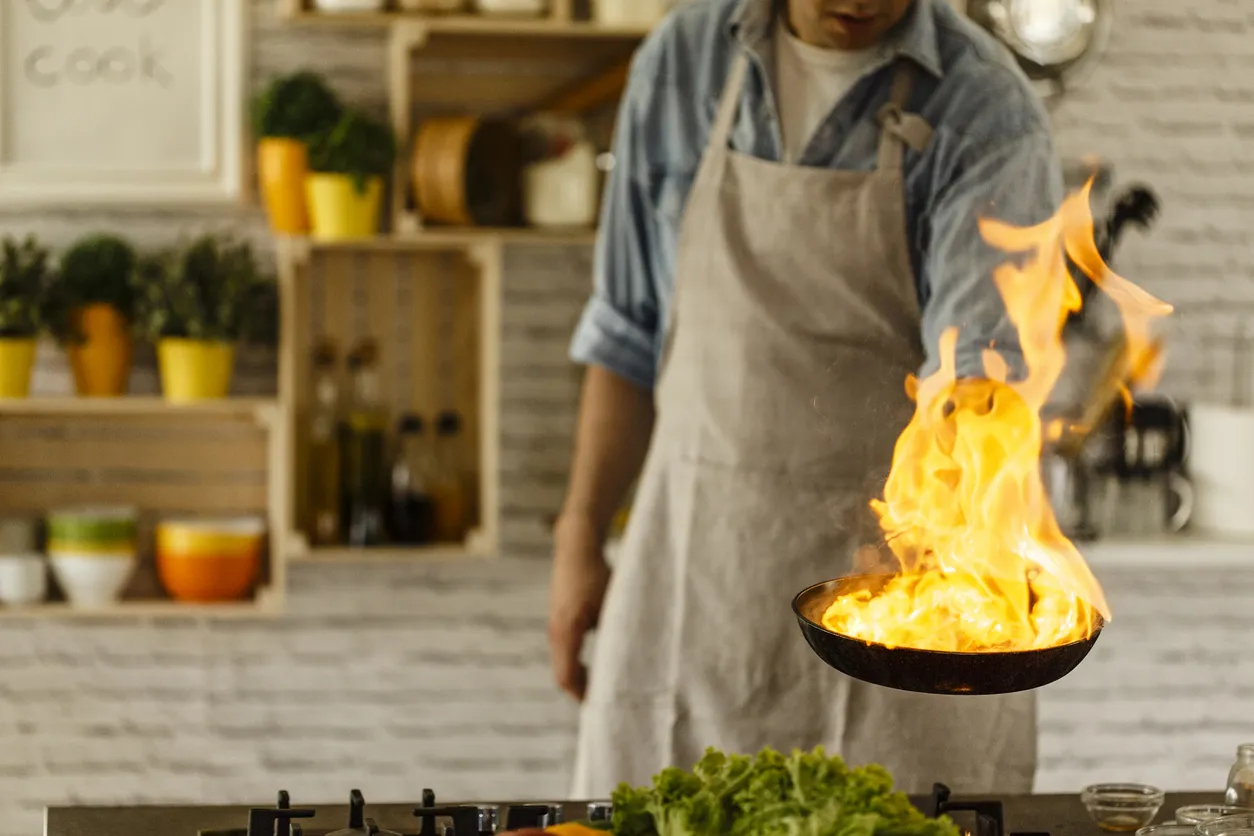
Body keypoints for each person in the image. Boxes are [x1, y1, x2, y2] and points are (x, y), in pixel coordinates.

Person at [548, 0, 1064, 801]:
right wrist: (580, 533)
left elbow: (977, 393)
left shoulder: (986, 109)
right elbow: (626, 333)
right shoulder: (682, 63)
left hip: (891, 598)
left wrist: (945, 554)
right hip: (696, 577)